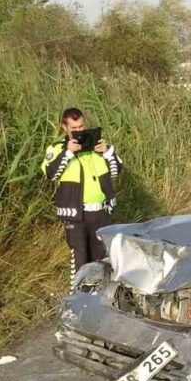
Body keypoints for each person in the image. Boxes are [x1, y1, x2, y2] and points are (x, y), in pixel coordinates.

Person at [42, 107, 123, 278]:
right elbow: (51, 173)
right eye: (74, 128)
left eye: (81, 127)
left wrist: (108, 153)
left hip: (101, 213)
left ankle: (100, 300)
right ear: (64, 127)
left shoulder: (97, 146)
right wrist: (68, 152)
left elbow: (116, 171)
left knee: (102, 263)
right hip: (76, 216)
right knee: (80, 264)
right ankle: (79, 301)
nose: (79, 131)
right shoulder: (56, 148)